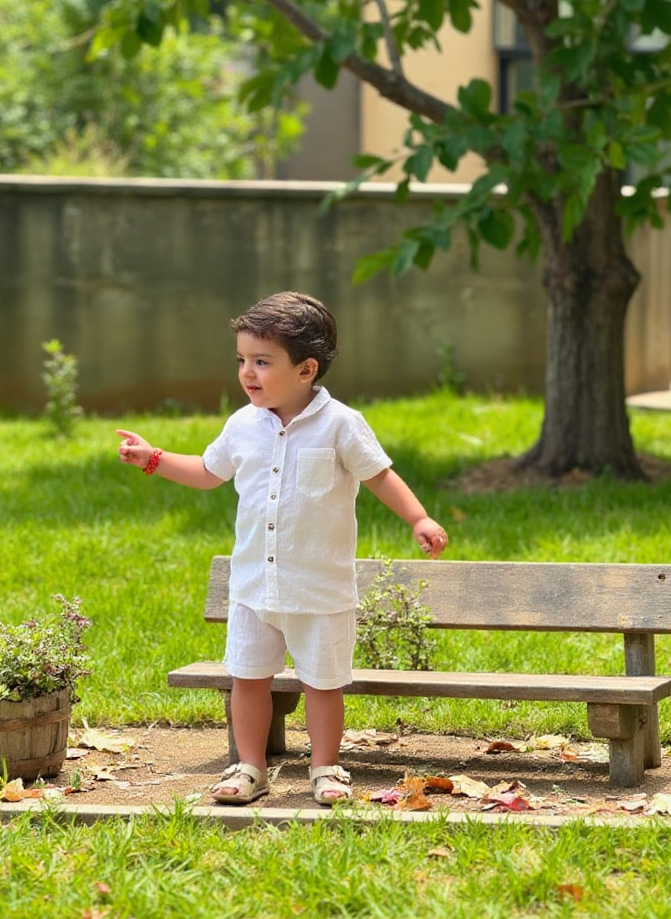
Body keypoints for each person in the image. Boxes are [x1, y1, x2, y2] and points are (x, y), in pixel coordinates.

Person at [116, 291, 448, 806]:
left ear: (306, 368)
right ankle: (249, 766)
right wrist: (153, 458)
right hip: (254, 586)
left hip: (319, 586)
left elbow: (380, 475)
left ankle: (326, 768)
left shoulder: (341, 424)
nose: (248, 372)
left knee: (322, 683)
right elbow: (208, 472)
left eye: (262, 362)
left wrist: (418, 516)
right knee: (248, 678)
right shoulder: (243, 425)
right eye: (243, 360)